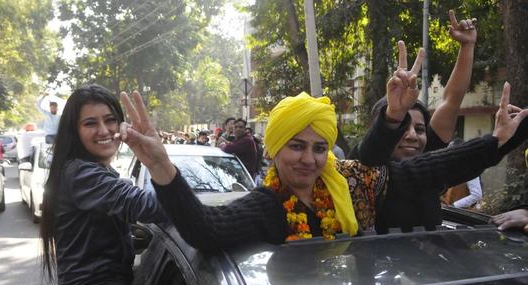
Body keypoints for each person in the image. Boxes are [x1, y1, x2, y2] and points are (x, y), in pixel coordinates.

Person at [120, 76, 527, 251]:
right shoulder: (266, 206)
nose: (309, 159)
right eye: (296, 146)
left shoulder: (349, 183)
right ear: (274, 150)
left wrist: (497, 142)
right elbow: (205, 230)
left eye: (319, 148)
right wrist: (161, 165)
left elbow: (427, 170)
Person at [350, 10, 481, 232]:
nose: (412, 135)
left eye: (420, 129)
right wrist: (394, 111)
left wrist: (467, 47)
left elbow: (452, 100)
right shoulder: (364, 165)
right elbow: (373, 148)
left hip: (432, 264)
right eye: (401, 125)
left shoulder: (429, 156)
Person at [39, 84, 167, 285]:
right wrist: (158, 161)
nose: (104, 130)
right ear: (74, 131)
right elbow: (150, 206)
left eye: (110, 120)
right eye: (90, 123)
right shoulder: (80, 173)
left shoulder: (91, 170)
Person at [441, 138, 483, 209]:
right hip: (447, 211)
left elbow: (477, 195)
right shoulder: (451, 168)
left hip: (461, 213)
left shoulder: (470, 170)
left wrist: (454, 205)